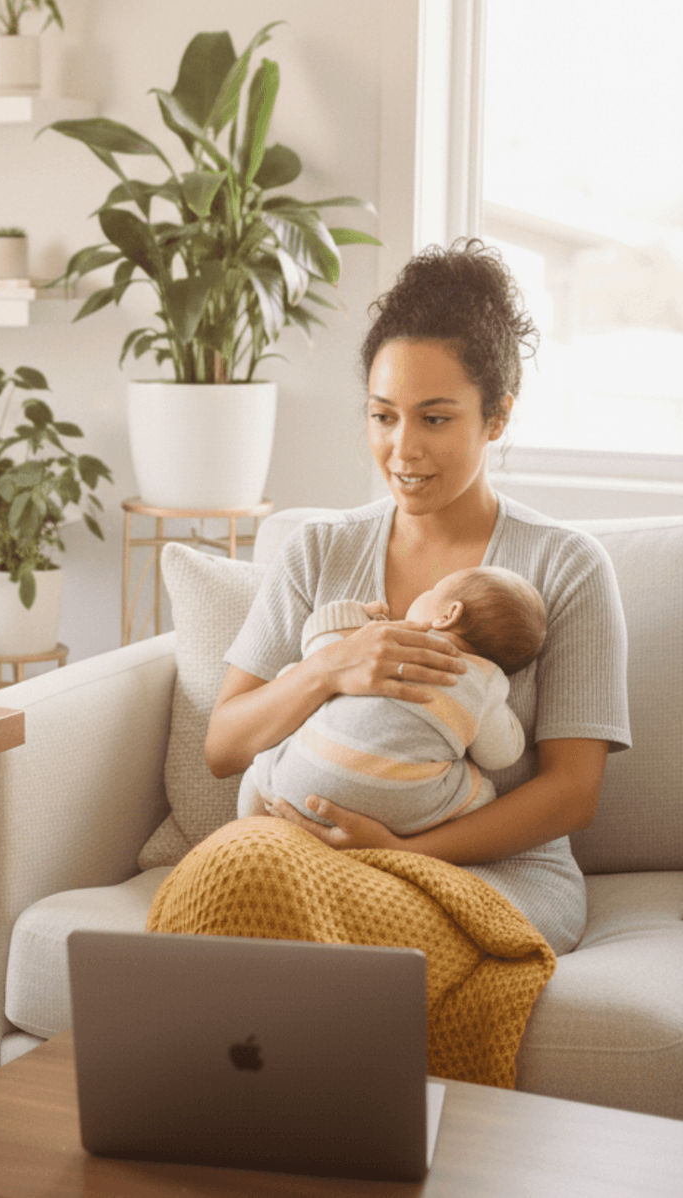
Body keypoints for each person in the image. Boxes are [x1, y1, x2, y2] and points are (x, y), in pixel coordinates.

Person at [196, 239, 631, 957]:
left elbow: (571, 794)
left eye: (435, 418)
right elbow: (223, 746)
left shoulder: (566, 567)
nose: (403, 449)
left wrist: (401, 850)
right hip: (316, 861)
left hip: (491, 874)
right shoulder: (320, 551)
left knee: (312, 919)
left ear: (497, 417)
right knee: (224, 878)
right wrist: (328, 671)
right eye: (382, 415)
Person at [237, 566, 547, 836]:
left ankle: (249, 831)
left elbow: (319, 643)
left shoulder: (380, 639)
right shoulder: (486, 681)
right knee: (483, 797)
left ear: (448, 614)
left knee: (259, 772)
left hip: (297, 790)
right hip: (401, 813)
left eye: (432, 590)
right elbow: (499, 756)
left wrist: (350, 616)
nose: (423, 592)